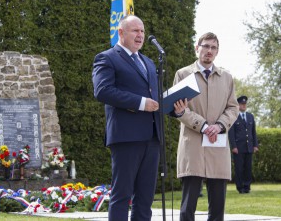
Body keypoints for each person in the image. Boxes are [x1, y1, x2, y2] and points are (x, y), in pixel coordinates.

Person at [92, 15, 187, 221]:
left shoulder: (149, 62)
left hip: (152, 137)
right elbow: (103, 91)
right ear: (121, 33)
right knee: (122, 195)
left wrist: (175, 109)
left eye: (142, 31)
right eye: (135, 30)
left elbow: (156, 99)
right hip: (126, 137)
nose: (140, 35)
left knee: (145, 198)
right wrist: (141, 103)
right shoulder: (107, 58)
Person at [173, 32, 239, 221]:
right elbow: (178, 108)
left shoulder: (227, 77)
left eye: (213, 47)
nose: (209, 51)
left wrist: (219, 126)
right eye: (206, 46)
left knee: (218, 207)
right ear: (197, 48)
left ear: (217, 51)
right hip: (192, 145)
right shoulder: (183, 74)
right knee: (188, 206)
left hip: (218, 145)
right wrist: (202, 126)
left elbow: (233, 108)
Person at [228, 95, 259, 194]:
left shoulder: (250, 116)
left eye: (245, 104)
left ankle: (247, 187)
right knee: (239, 168)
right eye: (242, 104)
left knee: (248, 168)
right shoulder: (234, 116)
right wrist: (233, 146)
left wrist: (255, 145)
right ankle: (240, 187)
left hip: (249, 146)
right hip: (238, 147)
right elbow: (231, 133)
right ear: (238, 105)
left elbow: (253, 132)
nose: (243, 106)